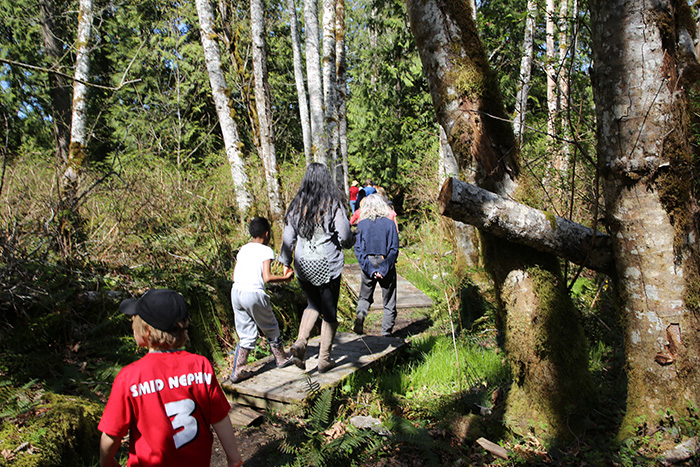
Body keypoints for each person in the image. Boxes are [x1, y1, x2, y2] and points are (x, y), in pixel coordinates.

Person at [98, 289, 243, 467]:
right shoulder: (200, 366)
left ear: (147, 331)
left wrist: (106, 461)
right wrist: (234, 459)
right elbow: (220, 417)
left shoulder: (130, 377)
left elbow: (112, 434)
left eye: (135, 320)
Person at [279, 163, 353, 373]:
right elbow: (346, 234)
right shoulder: (332, 203)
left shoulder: (296, 205)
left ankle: (301, 342)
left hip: (303, 264)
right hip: (327, 264)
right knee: (329, 311)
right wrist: (347, 244)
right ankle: (324, 359)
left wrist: (284, 262)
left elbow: (288, 238)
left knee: (312, 304)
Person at [229, 216, 296, 383]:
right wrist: (285, 278)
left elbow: (234, 275)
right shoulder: (266, 251)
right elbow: (266, 277)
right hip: (254, 293)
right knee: (271, 325)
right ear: (267, 234)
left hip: (236, 291)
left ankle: (237, 370)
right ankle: (280, 358)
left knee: (245, 333)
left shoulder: (243, 249)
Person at [353, 194, 399, 337]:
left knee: (364, 298)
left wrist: (371, 269)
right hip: (386, 262)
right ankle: (386, 333)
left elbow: (358, 250)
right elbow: (394, 249)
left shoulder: (361, 225)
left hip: (368, 263)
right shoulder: (390, 224)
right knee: (389, 301)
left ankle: (361, 316)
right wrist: (384, 268)